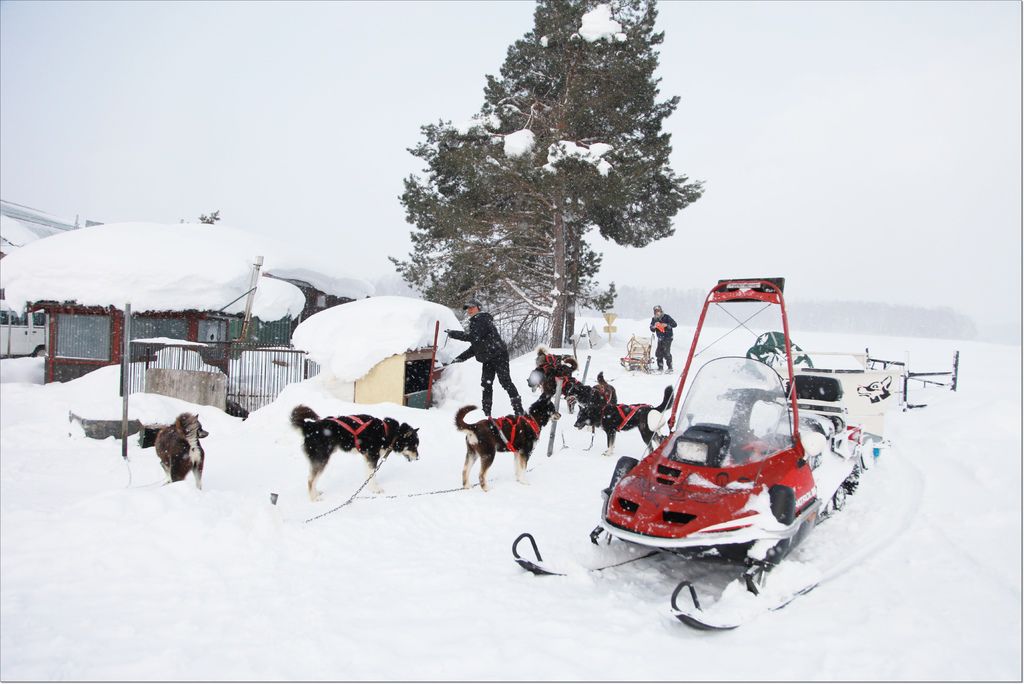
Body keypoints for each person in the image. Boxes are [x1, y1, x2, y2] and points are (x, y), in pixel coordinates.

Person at [446, 299, 525, 417]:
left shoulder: (481, 319)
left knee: (505, 382)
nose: (469, 310)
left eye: (471, 307)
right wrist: (458, 359)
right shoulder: (476, 321)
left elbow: (473, 338)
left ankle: (519, 411)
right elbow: (475, 347)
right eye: (468, 308)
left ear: (478, 307)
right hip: (488, 358)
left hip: (498, 355)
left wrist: (453, 334)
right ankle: (486, 413)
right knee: (486, 384)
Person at [649, 305, 678, 372]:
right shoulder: (654, 319)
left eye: (658, 311)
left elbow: (675, 324)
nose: (657, 312)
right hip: (660, 338)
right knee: (658, 353)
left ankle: (670, 368)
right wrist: (654, 327)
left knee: (666, 352)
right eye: (655, 311)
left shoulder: (666, 317)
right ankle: (660, 367)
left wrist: (667, 325)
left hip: (668, 337)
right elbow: (651, 328)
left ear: (661, 311)